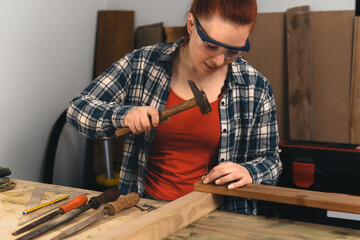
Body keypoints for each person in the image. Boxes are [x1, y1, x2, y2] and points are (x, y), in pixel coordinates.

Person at [66, 0, 282, 214]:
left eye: (232, 52)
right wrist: (124, 115)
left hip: (218, 215)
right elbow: (77, 110)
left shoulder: (255, 87)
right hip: (144, 208)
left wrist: (250, 172)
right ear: (191, 25)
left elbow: (272, 162)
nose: (218, 60)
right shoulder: (143, 65)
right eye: (211, 46)